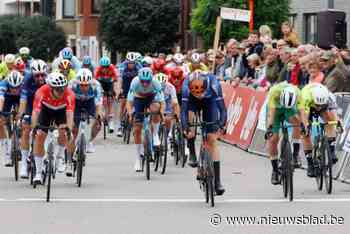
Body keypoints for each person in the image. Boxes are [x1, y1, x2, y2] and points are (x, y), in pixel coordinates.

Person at [181, 70, 227, 195]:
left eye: (201, 92)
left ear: (206, 87)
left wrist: (221, 125)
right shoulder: (186, 88)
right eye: (196, 92)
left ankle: (217, 181)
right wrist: (186, 128)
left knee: (212, 139)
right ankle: (192, 152)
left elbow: (222, 109)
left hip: (209, 102)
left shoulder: (214, 85)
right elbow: (183, 112)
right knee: (190, 123)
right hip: (192, 103)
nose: (199, 95)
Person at [31, 72, 75, 184]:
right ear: (51, 88)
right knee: (40, 136)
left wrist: (69, 129)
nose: (61, 92)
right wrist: (34, 127)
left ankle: (60, 158)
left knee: (64, 132)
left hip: (61, 111)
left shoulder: (69, 94)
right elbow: (36, 112)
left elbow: (70, 114)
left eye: (62, 89)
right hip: (46, 110)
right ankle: (38, 173)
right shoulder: (41, 92)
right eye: (58, 89)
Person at [126, 68, 165, 172]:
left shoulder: (156, 83)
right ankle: (138, 159)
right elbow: (129, 102)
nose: (145, 84)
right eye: (142, 81)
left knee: (156, 109)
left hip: (151, 97)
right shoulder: (134, 82)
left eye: (147, 81)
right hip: (138, 98)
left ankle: (155, 134)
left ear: (151, 79)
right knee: (137, 129)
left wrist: (161, 113)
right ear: (139, 79)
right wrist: (130, 113)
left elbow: (162, 101)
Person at [66, 68, 103, 176]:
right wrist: (70, 119)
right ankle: (69, 161)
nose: (84, 87)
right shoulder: (72, 85)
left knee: (98, 125)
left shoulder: (96, 85)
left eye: (86, 85)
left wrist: (99, 116)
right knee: (73, 130)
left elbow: (99, 104)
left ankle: (87, 142)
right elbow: (68, 104)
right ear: (78, 83)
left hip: (90, 102)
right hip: (75, 103)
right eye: (81, 85)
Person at [265, 82, 303, 185]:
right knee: (273, 138)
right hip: (275, 110)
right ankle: (275, 170)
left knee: (297, 123)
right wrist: (269, 129)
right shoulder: (274, 92)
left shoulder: (298, 93)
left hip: (289, 109)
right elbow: (271, 117)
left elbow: (301, 111)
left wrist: (303, 124)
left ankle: (295, 154)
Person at [300, 83, 340, 177]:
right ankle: (310, 163)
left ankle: (332, 150)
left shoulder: (330, 97)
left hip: (324, 104)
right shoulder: (306, 97)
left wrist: (338, 125)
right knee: (305, 132)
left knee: (329, 119)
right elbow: (304, 116)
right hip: (308, 106)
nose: (318, 108)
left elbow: (335, 116)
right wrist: (306, 126)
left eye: (320, 106)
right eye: (317, 105)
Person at [18, 59, 48, 178]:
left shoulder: (49, 81)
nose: (40, 78)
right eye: (37, 75)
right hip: (31, 104)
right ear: (32, 74)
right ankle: (24, 164)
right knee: (26, 129)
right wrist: (21, 114)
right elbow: (23, 100)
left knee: (46, 130)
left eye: (42, 75)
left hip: (45, 105)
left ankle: (44, 157)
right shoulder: (26, 81)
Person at [0, 71, 24, 166]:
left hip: (20, 99)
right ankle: (6, 154)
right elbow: (1, 99)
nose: (14, 89)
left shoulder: (23, 85)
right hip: (7, 99)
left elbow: (24, 101)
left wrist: (22, 114)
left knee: (23, 119)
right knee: (1, 121)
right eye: (12, 87)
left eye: (17, 87)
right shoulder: (3, 84)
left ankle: (20, 141)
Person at [117, 52, 142, 136]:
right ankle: (120, 125)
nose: (131, 64)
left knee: (136, 104)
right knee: (122, 105)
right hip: (125, 84)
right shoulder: (122, 66)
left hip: (135, 85)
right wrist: (119, 90)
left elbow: (142, 80)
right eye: (129, 63)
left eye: (133, 63)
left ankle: (134, 124)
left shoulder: (139, 66)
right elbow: (120, 80)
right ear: (126, 62)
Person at [95, 56, 119, 133]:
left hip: (109, 84)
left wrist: (114, 91)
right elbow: (95, 79)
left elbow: (116, 79)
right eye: (103, 67)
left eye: (106, 67)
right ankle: (103, 113)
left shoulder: (112, 68)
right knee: (102, 98)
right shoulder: (98, 69)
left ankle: (111, 121)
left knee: (110, 100)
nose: (105, 69)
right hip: (101, 83)